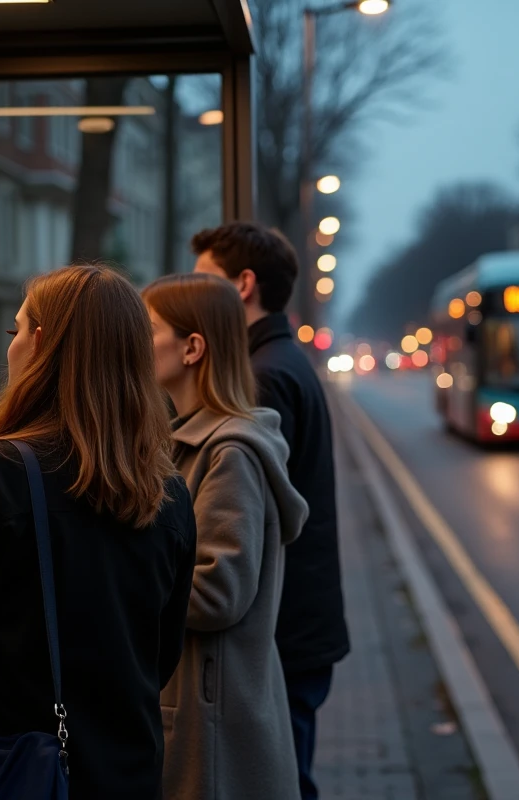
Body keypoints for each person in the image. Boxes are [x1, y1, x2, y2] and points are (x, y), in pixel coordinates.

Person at [0, 265, 197, 798]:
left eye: (16, 329)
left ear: (40, 343)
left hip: (18, 772)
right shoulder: (167, 490)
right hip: (129, 770)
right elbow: (162, 651)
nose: (11, 344)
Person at [192, 222, 349, 800]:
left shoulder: (262, 377)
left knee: (284, 782)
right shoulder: (283, 359)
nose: (194, 294)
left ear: (242, 285)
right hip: (303, 622)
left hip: (284, 629)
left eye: (204, 280)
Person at [143, 273, 308, 800]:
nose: (138, 343)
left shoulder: (229, 453)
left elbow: (218, 594)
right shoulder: (189, 440)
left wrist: (122, 580)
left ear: (192, 348)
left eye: (149, 329)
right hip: (203, 705)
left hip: (211, 718)